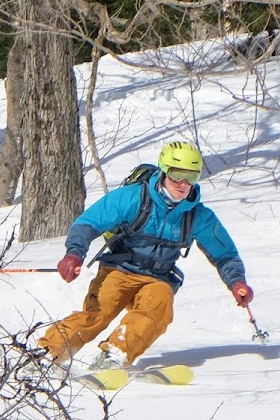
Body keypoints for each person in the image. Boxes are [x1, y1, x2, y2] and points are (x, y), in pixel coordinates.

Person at [38, 141, 253, 368]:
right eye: (176, 175)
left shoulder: (198, 216)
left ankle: (114, 357)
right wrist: (74, 253)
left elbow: (225, 254)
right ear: (164, 172)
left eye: (191, 177)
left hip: (158, 278)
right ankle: (46, 353)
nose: (183, 184)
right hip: (118, 270)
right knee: (98, 314)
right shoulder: (132, 198)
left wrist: (237, 281)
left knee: (158, 306)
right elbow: (89, 222)